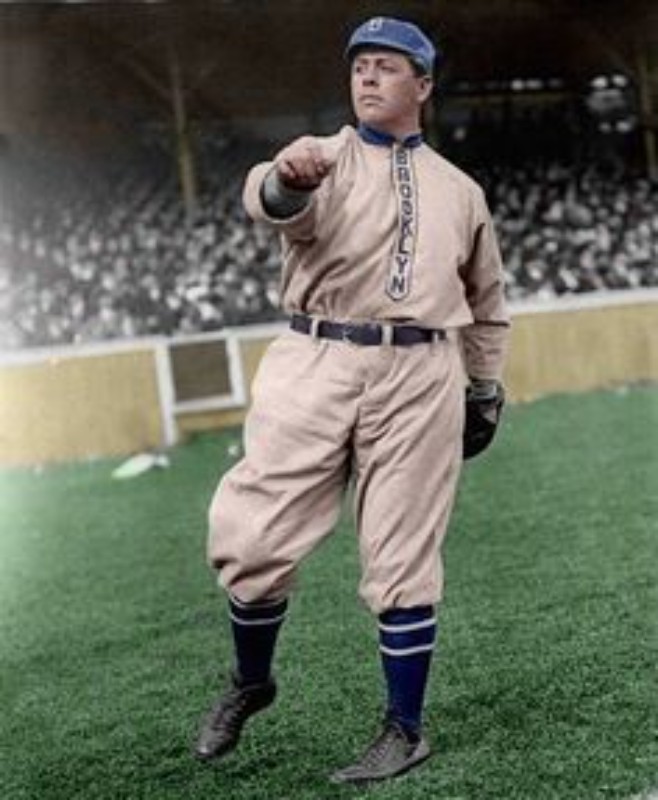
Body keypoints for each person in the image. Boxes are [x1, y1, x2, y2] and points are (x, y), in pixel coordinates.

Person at [194, 16, 510, 784]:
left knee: (403, 555)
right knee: (252, 538)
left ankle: (404, 728)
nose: (367, 76)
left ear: (423, 85)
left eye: (387, 66)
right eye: (360, 64)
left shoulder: (461, 191)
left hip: (421, 370)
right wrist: (288, 180)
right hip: (315, 357)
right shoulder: (320, 157)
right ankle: (251, 681)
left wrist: (484, 386)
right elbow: (270, 199)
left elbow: (486, 301)